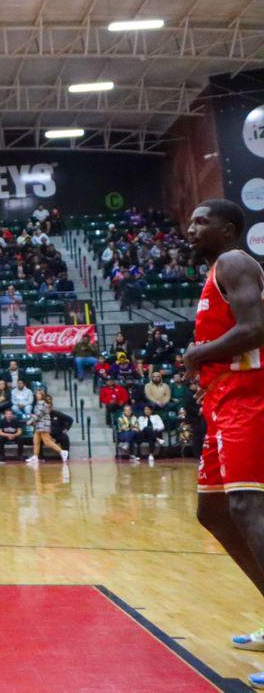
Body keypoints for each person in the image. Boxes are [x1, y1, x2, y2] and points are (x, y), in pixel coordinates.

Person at [177, 201, 264, 681]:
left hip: (250, 398)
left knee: (247, 506)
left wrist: (198, 353)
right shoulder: (219, 270)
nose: (191, 229)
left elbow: (256, 330)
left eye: (201, 221)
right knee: (212, 511)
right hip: (223, 402)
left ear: (229, 228)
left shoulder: (235, 262)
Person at [26, 389, 68, 464]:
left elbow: (38, 415)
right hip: (39, 425)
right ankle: (35, 456)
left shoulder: (42, 403)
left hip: (43, 425)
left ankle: (62, 451)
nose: (37, 395)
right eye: (37, 394)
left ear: (42, 396)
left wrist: (30, 421)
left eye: (38, 394)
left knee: (47, 441)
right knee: (36, 441)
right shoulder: (38, 403)